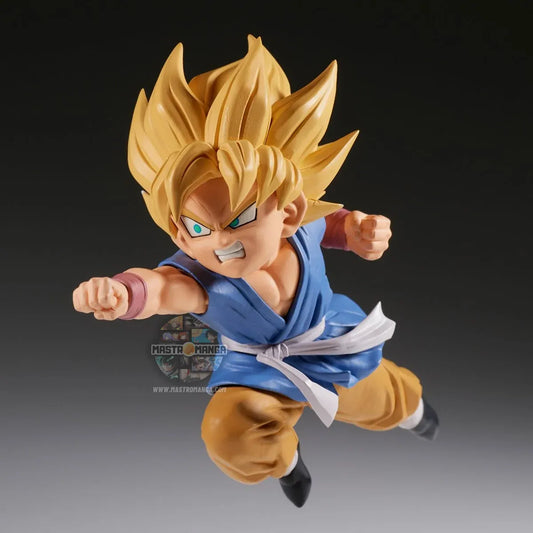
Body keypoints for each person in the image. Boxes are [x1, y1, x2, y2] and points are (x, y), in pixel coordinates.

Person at [72, 36, 438, 507]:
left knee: (384, 397)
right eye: (198, 228)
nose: (220, 242)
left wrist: (360, 231)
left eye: (241, 218)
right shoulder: (199, 279)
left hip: (328, 342)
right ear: (178, 234)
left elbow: (333, 224)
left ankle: (416, 413)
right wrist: (122, 293)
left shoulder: (298, 229)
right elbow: (161, 289)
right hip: (257, 371)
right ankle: (285, 461)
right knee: (228, 432)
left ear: (288, 212)